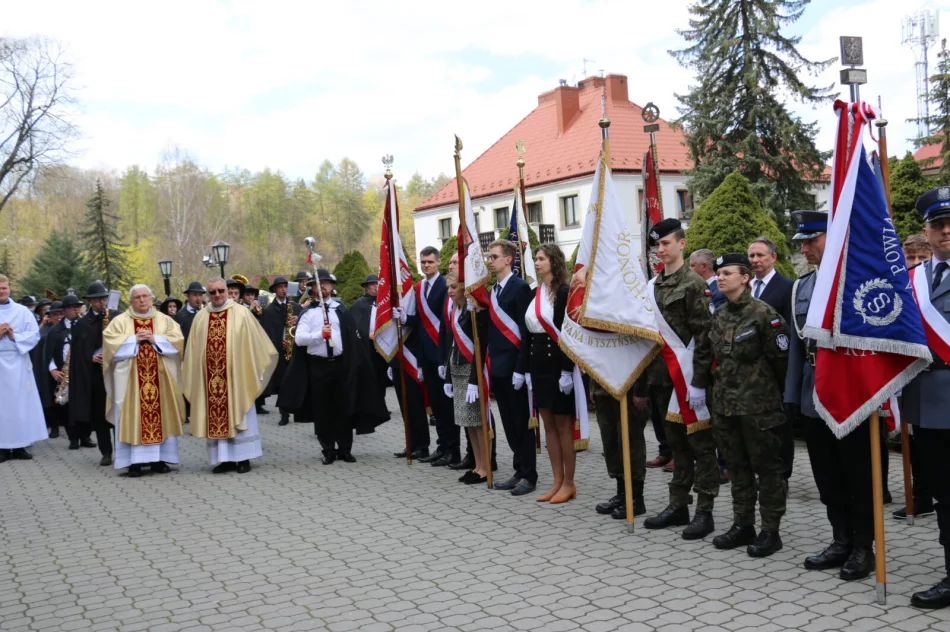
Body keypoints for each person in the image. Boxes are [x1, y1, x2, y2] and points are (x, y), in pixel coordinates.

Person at [785, 210, 874, 581]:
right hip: (812, 391)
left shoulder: (857, 281)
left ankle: (863, 546)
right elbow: (795, 346)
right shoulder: (800, 287)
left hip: (852, 394)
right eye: (802, 242)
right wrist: (791, 395)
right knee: (826, 476)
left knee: (858, 475)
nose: (805, 248)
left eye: (812, 240)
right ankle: (840, 539)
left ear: (832, 239)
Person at [640, 218, 718, 539]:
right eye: (656, 245)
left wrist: (699, 382)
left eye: (666, 243)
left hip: (688, 380)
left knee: (701, 446)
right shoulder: (652, 285)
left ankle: (705, 511)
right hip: (662, 379)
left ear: (682, 244)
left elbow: (705, 337)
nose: (660, 250)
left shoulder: (692, 285)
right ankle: (679, 504)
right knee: (675, 445)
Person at [707, 254, 789, 557]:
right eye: (718, 273)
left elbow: (781, 362)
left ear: (745, 278)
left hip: (759, 408)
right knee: (738, 469)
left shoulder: (764, 314)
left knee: (768, 470)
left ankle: (771, 530)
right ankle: (743, 524)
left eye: (728, 273)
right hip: (726, 408)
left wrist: (776, 402)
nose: (721, 277)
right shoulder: (720, 315)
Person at [280, 269, 388, 463]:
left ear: (332, 286)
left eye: (326, 283)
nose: (322, 286)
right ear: (312, 287)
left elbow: (351, 338)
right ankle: (328, 450)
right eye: (317, 283)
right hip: (318, 367)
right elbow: (300, 339)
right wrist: (319, 334)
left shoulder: (341, 310)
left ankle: (345, 449)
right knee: (323, 410)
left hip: (341, 365)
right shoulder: (308, 313)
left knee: (343, 408)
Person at [903, 188, 950, 609]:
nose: (946, 231)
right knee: (943, 494)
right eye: (938, 224)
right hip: (925, 403)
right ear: (927, 231)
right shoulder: (913, 279)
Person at [181, 277, 277, 474]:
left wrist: (254, 370)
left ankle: (243, 458)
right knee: (217, 419)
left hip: (238, 378)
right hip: (211, 381)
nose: (217, 295)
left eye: (220, 291)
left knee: (240, 414)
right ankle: (223, 459)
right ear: (208, 295)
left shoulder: (241, 313)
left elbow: (256, 343)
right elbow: (193, 350)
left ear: (227, 291)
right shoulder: (201, 317)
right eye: (213, 292)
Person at [102, 285, 186, 477]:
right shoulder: (120, 322)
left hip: (160, 380)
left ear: (151, 298)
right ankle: (134, 463)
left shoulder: (164, 320)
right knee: (131, 417)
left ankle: (159, 459)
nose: (141, 300)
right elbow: (109, 347)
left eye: (145, 296)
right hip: (131, 383)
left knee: (161, 414)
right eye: (137, 297)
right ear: (131, 301)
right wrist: (133, 340)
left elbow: (178, 342)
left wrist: (155, 338)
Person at [523, 244, 579, 503]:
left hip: (558, 363)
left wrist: (567, 370)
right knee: (548, 426)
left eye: (541, 258)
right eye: (535, 258)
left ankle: (569, 482)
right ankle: (556, 480)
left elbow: (568, 333)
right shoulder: (534, 293)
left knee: (563, 426)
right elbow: (527, 334)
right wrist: (524, 369)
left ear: (554, 261)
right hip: (538, 364)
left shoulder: (565, 292)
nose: (536, 262)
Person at [485, 239, 536, 496]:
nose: (490, 260)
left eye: (494, 256)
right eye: (489, 256)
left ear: (508, 259)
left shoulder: (520, 287)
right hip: (498, 368)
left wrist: (521, 368)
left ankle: (529, 474)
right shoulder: (494, 289)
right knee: (508, 423)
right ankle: (518, 469)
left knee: (521, 422)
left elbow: (524, 330)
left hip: (514, 368)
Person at [893, 234, 935, 521]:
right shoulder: (903, 287)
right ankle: (920, 497)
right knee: (919, 442)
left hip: (941, 373)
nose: (916, 263)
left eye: (923, 258)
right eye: (911, 258)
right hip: (916, 375)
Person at [404, 246, 458, 467]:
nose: (426, 265)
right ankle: (441, 446)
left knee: (446, 405)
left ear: (438, 262)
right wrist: (405, 318)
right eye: (423, 262)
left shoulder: (446, 286)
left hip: (442, 352)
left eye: (430, 262)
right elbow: (420, 322)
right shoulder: (419, 287)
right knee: (435, 405)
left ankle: (452, 450)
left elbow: (445, 319)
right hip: (426, 352)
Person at [441, 271, 490, 484]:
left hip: (472, 370)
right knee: (467, 422)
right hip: (457, 368)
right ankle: (477, 464)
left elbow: (481, 346)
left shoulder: (475, 311)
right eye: (448, 287)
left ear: (464, 287)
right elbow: (451, 340)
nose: (449, 291)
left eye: (453, 287)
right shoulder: (456, 309)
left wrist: (474, 380)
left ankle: (486, 468)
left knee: (478, 421)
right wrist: (448, 376)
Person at [69, 281, 119, 466]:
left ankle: (123, 449)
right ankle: (106, 452)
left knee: (118, 411)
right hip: (95, 375)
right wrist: (90, 357)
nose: (101, 302)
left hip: (116, 372)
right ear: (90, 301)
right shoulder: (82, 324)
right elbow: (77, 352)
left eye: (103, 298)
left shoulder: (116, 317)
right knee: (100, 415)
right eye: (97, 299)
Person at [0, 275, 48, 462]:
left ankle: (20, 445)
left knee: (20, 405)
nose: (2, 291)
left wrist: (14, 336)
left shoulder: (22, 311)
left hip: (18, 361)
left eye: (4, 288)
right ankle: (2, 447)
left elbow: (34, 335)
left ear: (9, 288)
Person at [46, 295, 96, 451]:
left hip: (83, 370)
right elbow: (49, 352)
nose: (76, 309)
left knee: (85, 404)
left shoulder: (85, 325)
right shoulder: (56, 330)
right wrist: (53, 369)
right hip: (64, 372)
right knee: (67, 408)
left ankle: (85, 436)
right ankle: (73, 438)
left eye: (78, 306)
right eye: (72, 307)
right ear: (64, 310)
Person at [260, 276, 302, 424]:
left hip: (295, 349)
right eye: (280, 287)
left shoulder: (296, 307)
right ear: (275, 290)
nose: (283, 290)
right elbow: (267, 332)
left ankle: (297, 410)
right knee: (283, 384)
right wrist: (279, 341)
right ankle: (284, 414)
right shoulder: (270, 310)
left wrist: (297, 320)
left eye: (285, 287)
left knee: (295, 382)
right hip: (280, 350)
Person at [350, 273, 389, 404]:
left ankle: (381, 403)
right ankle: (370, 403)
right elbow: (354, 325)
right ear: (366, 287)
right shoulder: (359, 304)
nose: (375, 287)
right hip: (366, 346)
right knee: (369, 375)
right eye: (372, 284)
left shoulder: (385, 302)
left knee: (381, 375)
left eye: (377, 284)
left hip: (384, 345)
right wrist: (367, 334)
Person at [34, 301, 63, 438]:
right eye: (55, 314)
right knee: (50, 398)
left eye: (60, 313)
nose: (58, 317)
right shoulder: (44, 332)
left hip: (66, 369)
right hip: (48, 371)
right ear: (49, 316)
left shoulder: (68, 329)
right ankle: (54, 427)